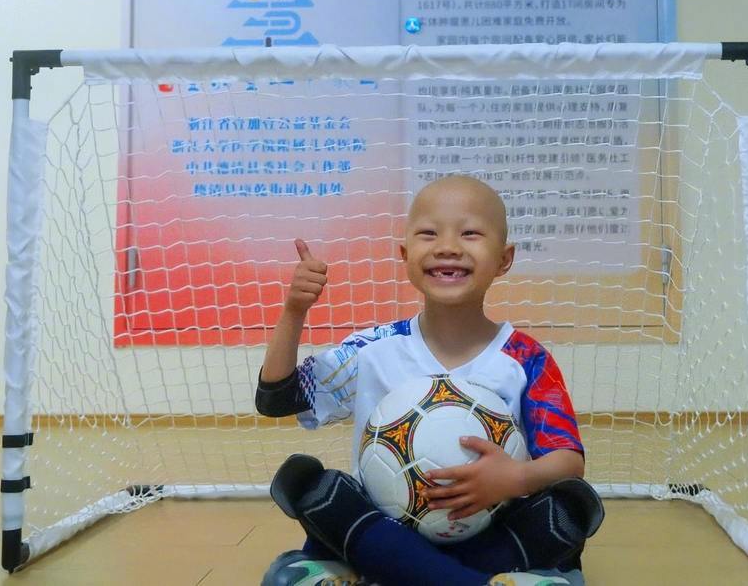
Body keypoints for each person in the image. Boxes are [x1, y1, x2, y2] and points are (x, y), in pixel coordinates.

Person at [257, 175, 604, 586]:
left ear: (504, 258)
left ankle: (375, 572)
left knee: (569, 507)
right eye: (429, 233)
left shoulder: (526, 358)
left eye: (470, 233)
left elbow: (569, 461)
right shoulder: (374, 349)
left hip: (487, 528)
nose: (448, 246)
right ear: (405, 254)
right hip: (387, 528)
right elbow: (278, 399)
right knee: (315, 488)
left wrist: (514, 478)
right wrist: (294, 311)